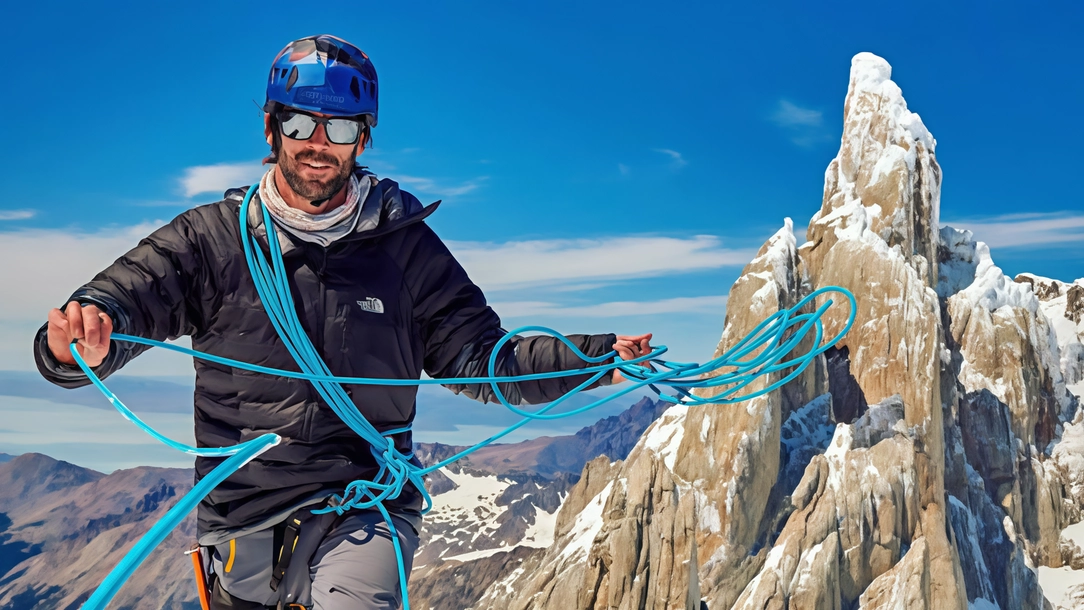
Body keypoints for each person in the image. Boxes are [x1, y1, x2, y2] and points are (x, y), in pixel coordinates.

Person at [34, 35, 652, 610]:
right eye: (301, 123)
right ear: (273, 128)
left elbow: (483, 360)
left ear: (362, 139)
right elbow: (119, 303)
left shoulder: (405, 249)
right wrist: (76, 344)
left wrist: (594, 358)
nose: (317, 143)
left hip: (363, 501)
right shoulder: (212, 241)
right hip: (242, 512)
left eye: (340, 127)